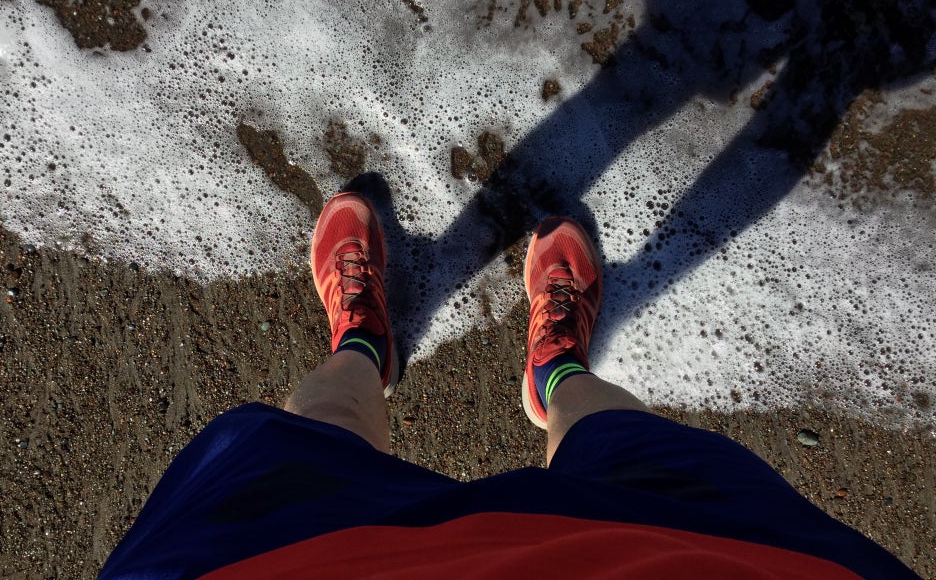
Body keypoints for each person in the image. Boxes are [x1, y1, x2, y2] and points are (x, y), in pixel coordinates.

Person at [100, 192, 920, 579]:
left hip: (281, 564)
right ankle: (556, 369)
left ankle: (364, 344)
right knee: (641, 457)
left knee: (310, 438)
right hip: (712, 565)